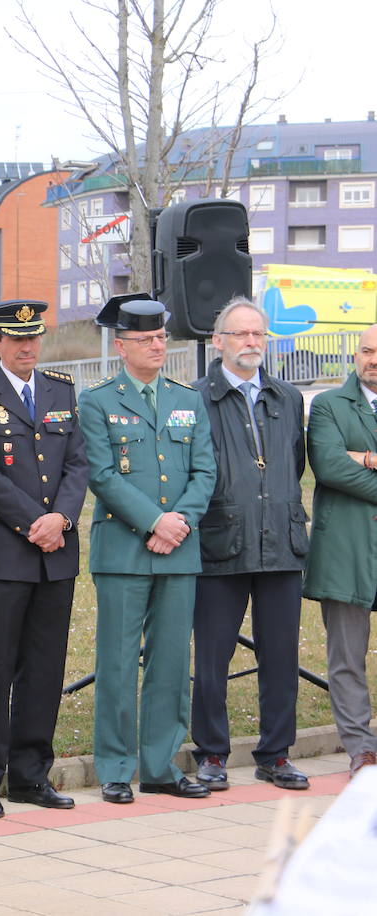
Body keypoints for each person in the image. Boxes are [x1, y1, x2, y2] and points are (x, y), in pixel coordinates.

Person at [78, 294, 215, 805]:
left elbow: (205, 470)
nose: (157, 346)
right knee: (117, 661)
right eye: (146, 339)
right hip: (123, 550)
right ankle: (116, 767)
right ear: (121, 346)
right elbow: (101, 475)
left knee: (172, 662)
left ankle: (160, 766)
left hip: (179, 548)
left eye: (161, 337)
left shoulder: (187, 399)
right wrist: (155, 521)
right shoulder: (97, 401)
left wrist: (179, 522)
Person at [0, 300, 87, 818]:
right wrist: (38, 523)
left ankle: (31, 776)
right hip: (5, 554)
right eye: (16, 338)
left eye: (33, 337)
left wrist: (63, 519)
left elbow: (77, 463)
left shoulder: (61, 389)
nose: (27, 346)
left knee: (45, 668)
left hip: (57, 554)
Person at [190, 297, 311, 791]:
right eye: (240, 333)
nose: (250, 342)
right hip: (221, 542)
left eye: (258, 333)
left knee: (280, 657)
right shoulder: (195, 397)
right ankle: (212, 754)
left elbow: (294, 463)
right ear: (218, 341)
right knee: (212, 658)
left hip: (281, 541)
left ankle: (276, 754)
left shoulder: (288, 397)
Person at [303, 322, 377, 779]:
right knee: (346, 655)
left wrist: (360, 456)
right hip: (346, 546)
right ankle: (361, 749)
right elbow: (330, 466)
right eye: (367, 351)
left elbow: (346, 463)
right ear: (356, 355)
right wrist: (363, 460)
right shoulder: (329, 404)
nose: (374, 360)